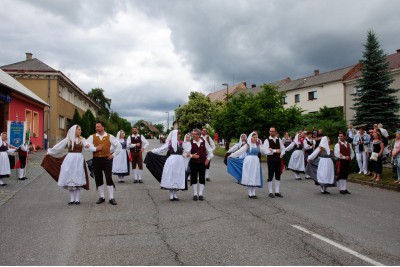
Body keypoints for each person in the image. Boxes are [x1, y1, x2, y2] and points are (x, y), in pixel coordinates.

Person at [41, 125, 91, 205]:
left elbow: (87, 144)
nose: (80, 131)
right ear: (74, 131)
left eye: (80, 129)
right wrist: (50, 152)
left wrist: (87, 145)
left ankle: (77, 199)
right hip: (70, 160)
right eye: (79, 129)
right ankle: (72, 199)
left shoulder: (82, 139)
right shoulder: (68, 139)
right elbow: (59, 147)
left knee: (77, 178)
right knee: (70, 179)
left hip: (78, 160)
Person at [148, 130, 190, 201]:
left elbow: (184, 153)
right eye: (178, 134)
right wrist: (152, 151)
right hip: (172, 161)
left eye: (179, 134)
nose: (179, 135)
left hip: (179, 162)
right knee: (172, 176)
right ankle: (171, 194)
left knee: (177, 177)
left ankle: (175, 194)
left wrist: (187, 155)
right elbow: (161, 149)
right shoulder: (169, 143)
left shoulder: (181, 143)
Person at [86, 121, 122, 205]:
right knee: (98, 178)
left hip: (107, 159)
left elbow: (119, 146)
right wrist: (95, 148)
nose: (96, 128)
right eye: (96, 127)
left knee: (108, 177)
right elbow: (86, 147)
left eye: (98, 126)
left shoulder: (110, 136)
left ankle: (111, 197)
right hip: (96, 159)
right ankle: (101, 197)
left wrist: (113, 155)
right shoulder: (92, 137)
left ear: (103, 127)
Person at [228, 132, 264, 199]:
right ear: (251, 137)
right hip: (249, 161)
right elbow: (239, 151)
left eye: (256, 137)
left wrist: (272, 151)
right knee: (250, 175)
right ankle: (249, 193)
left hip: (256, 161)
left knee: (255, 175)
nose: (255, 138)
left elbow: (263, 151)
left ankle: (254, 192)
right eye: (254, 137)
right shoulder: (247, 145)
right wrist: (231, 155)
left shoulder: (258, 145)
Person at [189, 128, 213, 201]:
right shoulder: (190, 143)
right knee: (194, 178)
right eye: (193, 134)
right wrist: (192, 156)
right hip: (193, 163)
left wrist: (208, 159)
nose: (193, 135)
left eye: (195, 134)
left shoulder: (204, 141)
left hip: (202, 163)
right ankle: (195, 194)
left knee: (202, 178)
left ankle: (201, 194)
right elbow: (186, 153)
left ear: (199, 135)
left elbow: (210, 152)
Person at [264, 127, 285, 198]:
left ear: (276, 132)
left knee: (278, 175)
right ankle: (270, 192)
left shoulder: (279, 139)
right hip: (271, 160)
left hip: (278, 160)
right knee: (270, 175)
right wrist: (275, 150)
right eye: (270, 131)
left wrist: (281, 154)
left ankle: (277, 191)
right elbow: (265, 151)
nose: (271, 132)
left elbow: (282, 148)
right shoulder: (267, 140)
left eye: (273, 131)